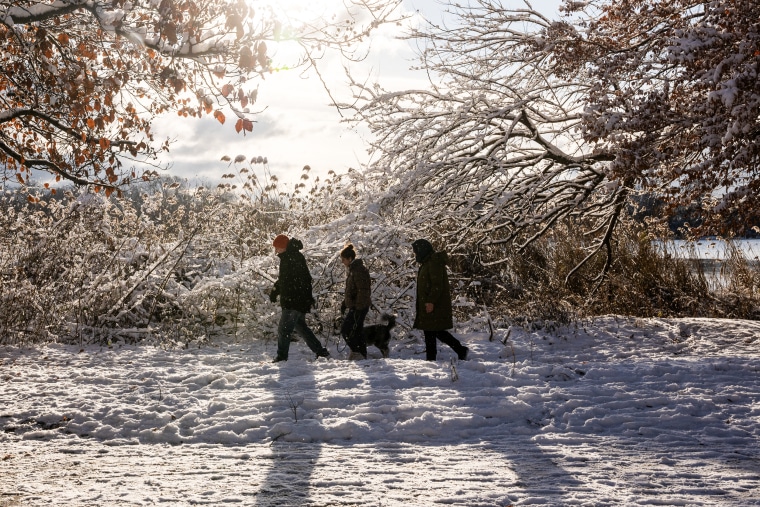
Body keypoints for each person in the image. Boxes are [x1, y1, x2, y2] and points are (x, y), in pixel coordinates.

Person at [269, 234, 330, 362]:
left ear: (283, 246)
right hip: (297, 300)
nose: (276, 251)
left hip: (294, 301)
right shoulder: (290, 257)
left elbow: (298, 280)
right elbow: (285, 279)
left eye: (277, 247)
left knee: (284, 329)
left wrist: (290, 295)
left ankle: (281, 357)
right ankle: (321, 352)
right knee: (301, 327)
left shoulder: (292, 258)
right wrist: (275, 291)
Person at [411, 239, 468, 361]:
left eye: (416, 252)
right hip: (430, 302)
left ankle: (433, 358)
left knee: (433, 331)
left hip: (434, 303)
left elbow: (437, 285)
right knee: (433, 331)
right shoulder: (428, 262)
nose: (415, 255)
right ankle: (459, 350)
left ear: (422, 250)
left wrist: (431, 301)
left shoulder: (433, 263)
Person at [339, 243, 372, 360]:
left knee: (346, 330)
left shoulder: (358, 270)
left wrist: (358, 307)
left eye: (343, 259)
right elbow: (352, 290)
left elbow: (363, 290)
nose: (342, 262)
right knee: (357, 331)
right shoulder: (354, 270)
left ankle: (358, 352)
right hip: (357, 306)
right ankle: (361, 353)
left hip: (359, 307)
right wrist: (345, 303)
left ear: (350, 258)